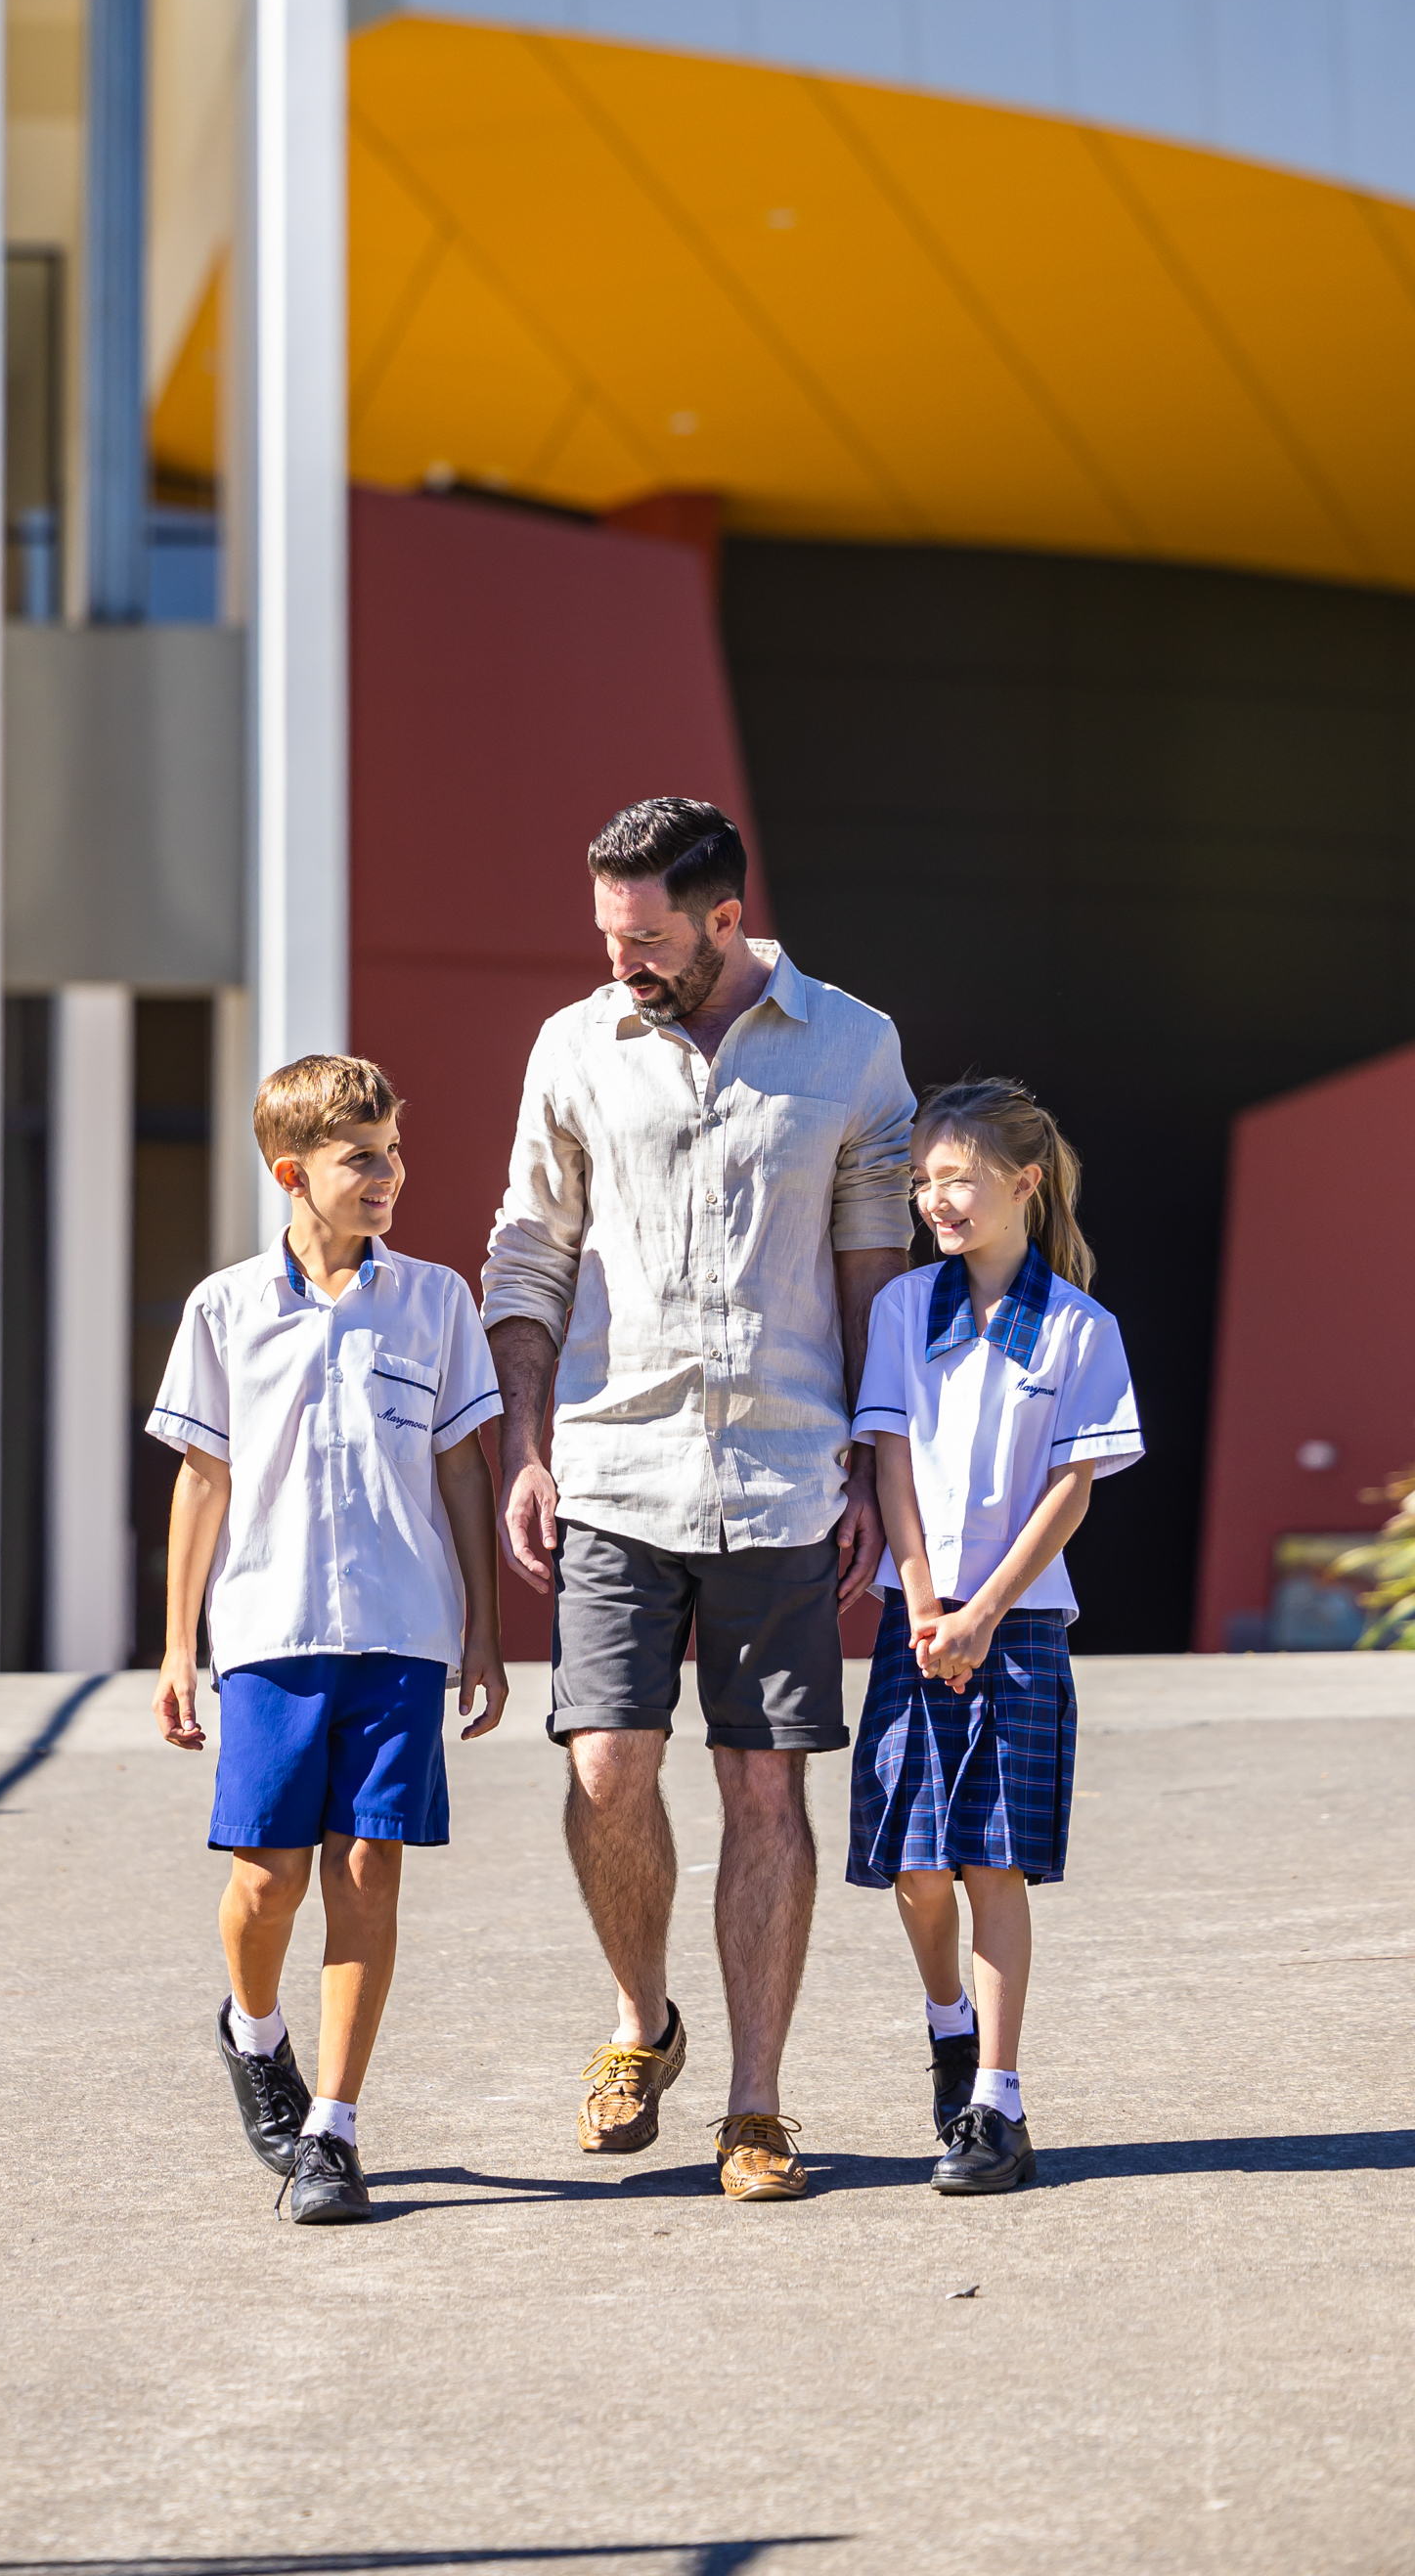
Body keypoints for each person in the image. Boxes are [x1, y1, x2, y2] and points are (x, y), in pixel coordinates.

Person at [485, 796, 914, 2201]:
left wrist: (872, 1461)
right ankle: (641, 2023)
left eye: (650, 941)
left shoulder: (852, 1046)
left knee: (764, 1785)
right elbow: (530, 1256)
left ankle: (756, 2104)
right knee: (606, 1766)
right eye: (607, 936)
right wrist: (527, 1446)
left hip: (785, 1477)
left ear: (727, 919)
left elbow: (875, 1275)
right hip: (613, 1466)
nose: (622, 964)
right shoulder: (573, 1046)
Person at [149, 1052, 508, 2225]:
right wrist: (177, 1649)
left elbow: (463, 1471)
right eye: (363, 1158)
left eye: (394, 1152)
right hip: (269, 1631)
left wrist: (484, 1630)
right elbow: (203, 1481)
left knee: (367, 1869)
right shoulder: (224, 1308)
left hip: (402, 1632)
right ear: (291, 1172)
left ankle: (333, 2130)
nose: (389, 1175)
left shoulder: (437, 1302)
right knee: (269, 1881)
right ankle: (255, 2033)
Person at [849, 1077, 1142, 2194]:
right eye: (924, 1181)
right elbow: (889, 1458)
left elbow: (1072, 1491)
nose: (937, 1200)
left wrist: (982, 1613)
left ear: (1023, 1183)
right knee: (917, 1870)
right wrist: (929, 1602)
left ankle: (997, 2104)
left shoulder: (1079, 1327)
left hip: (1017, 1627)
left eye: (958, 1179)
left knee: (990, 1864)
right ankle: (949, 2028)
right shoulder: (900, 1310)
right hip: (916, 1620)